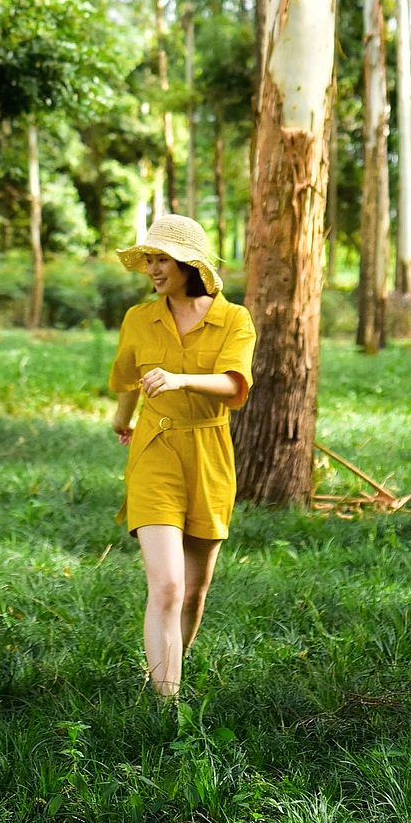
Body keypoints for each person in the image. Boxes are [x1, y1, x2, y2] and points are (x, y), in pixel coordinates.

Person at [108, 213, 256, 699]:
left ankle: (170, 667)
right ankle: (164, 706)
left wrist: (180, 379)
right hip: (154, 451)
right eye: (148, 259)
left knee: (194, 591)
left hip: (209, 454)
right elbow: (129, 377)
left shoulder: (233, 319)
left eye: (161, 259)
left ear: (189, 263)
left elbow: (234, 384)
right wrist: (123, 417)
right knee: (168, 586)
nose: (152, 268)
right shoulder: (138, 318)